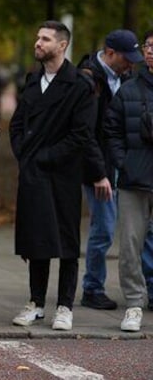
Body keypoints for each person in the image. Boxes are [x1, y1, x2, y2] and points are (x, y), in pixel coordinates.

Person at [9, 20, 110, 332]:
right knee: (35, 240)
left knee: (66, 242)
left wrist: (45, 157)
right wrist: (25, 155)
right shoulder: (32, 80)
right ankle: (36, 302)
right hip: (33, 174)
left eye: (45, 39)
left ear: (62, 45)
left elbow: (81, 135)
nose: (38, 43)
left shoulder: (79, 86)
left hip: (63, 175)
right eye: (38, 37)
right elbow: (16, 123)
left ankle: (64, 305)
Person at [78, 29, 153, 311]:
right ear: (110, 53)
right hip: (99, 167)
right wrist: (100, 172)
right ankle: (92, 287)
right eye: (127, 58)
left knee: (141, 231)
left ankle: (147, 285)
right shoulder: (88, 78)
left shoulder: (124, 78)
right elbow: (90, 132)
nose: (132, 63)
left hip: (126, 166)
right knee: (105, 229)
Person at [104, 29, 153, 331]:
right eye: (148, 46)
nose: (151, 52)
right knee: (131, 244)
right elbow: (112, 131)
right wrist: (124, 162)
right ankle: (134, 303)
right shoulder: (128, 89)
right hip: (134, 179)